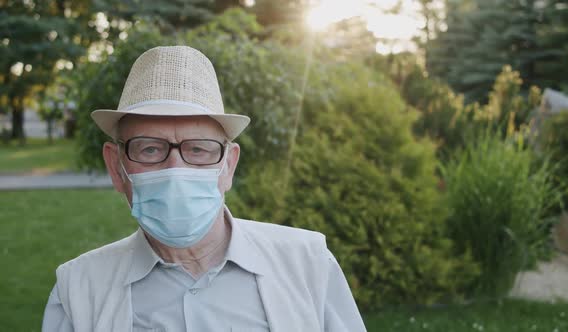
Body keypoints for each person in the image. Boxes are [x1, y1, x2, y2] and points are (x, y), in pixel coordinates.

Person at [41, 45, 366, 331]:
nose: (175, 170)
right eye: (150, 149)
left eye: (198, 150)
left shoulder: (309, 264)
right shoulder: (78, 290)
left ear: (228, 166)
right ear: (116, 167)